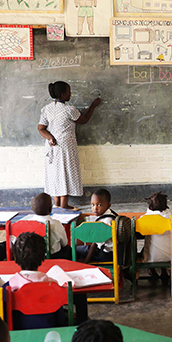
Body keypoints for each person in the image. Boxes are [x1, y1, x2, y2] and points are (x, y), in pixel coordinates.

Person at [37, 81, 101, 210]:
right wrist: (93, 106)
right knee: (66, 173)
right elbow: (84, 120)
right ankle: (64, 204)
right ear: (63, 94)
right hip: (65, 146)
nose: (70, 94)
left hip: (52, 146)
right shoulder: (69, 110)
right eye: (69, 92)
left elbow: (41, 128)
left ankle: (57, 204)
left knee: (56, 174)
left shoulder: (46, 109)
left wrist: (50, 138)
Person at [20, 192, 69, 257]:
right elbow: (64, 244)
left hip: (32, 258)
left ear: (32, 208)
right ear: (50, 209)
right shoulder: (56, 224)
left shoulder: (24, 223)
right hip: (54, 257)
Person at [141, 191, 172, 282]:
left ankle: (152, 271)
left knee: (149, 246)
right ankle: (164, 271)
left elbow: (138, 228)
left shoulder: (145, 219)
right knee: (163, 244)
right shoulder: (170, 218)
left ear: (149, 207)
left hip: (151, 258)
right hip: (170, 256)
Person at [81, 189, 119, 264]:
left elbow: (94, 244)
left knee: (75, 251)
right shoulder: (111, 214)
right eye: (92, 205)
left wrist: (86, 261)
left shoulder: (106, 221)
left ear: (108, 206)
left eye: (99, 205)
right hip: (109, 251)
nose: (95, 208)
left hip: (105, 254)